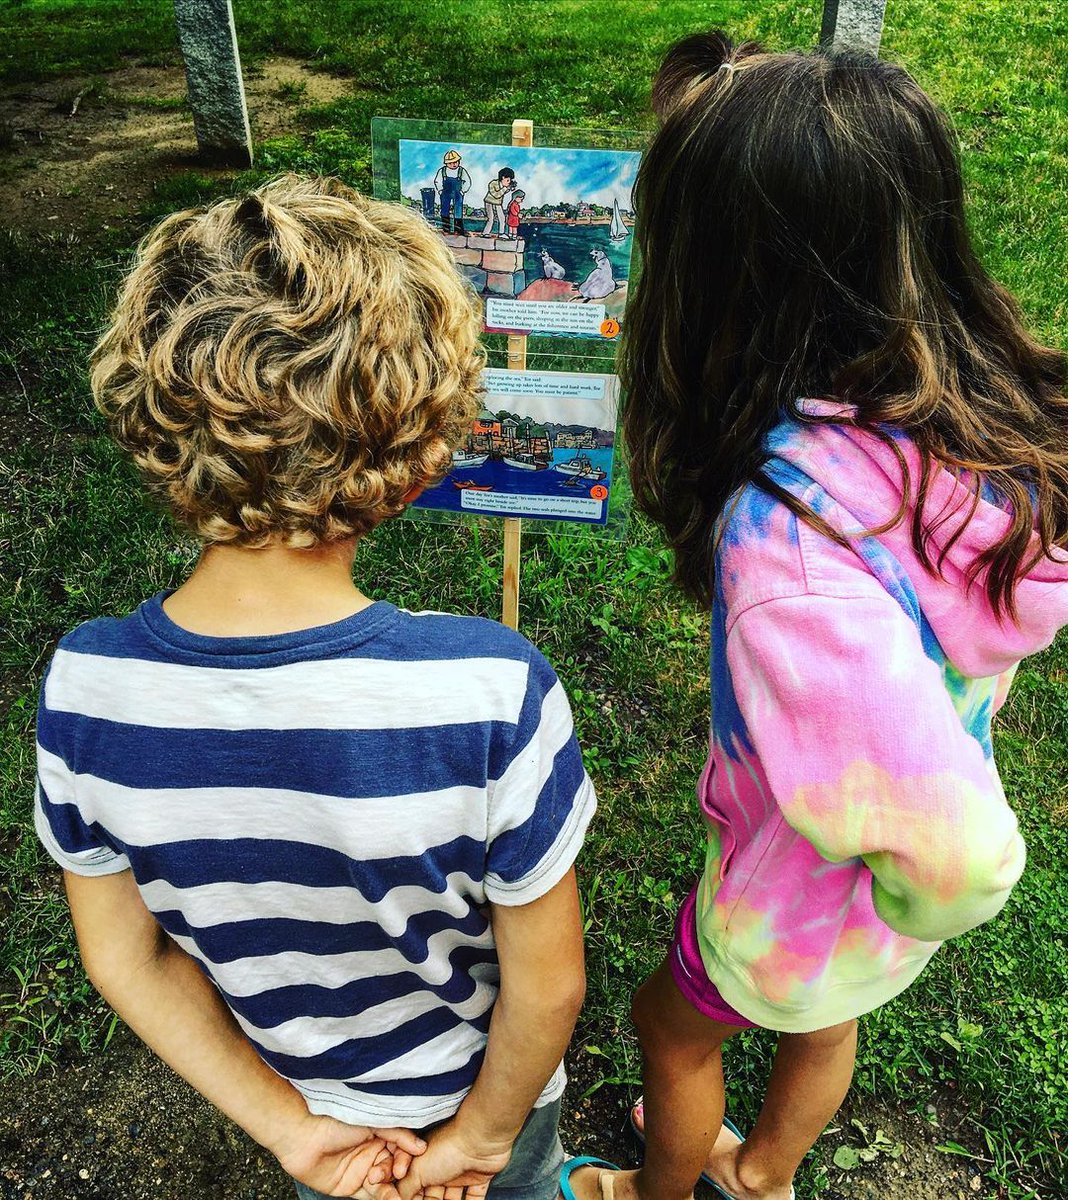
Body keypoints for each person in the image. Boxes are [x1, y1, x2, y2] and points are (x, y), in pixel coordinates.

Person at [560, 31, 1068, 1200]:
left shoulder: (792, 545)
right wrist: (894, 919)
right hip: (865, 927)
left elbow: (962, 859)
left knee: (673, 1030)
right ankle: (767, 1176)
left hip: (799, 897)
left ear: (722, 279)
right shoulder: (962, 438)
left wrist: (890, 898)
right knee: (823, 1028)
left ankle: (659, 1188)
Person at [33, 175, 595, 1200]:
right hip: (490, 1106)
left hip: (324, 1122)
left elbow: (128, 963)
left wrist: (292, 1134)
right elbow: (547, 983)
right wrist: (480, 1140)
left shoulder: (85, 692)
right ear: (420, 440)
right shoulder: (492, 694)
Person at [433, 148, 472, 235]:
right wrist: (440, 190)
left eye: (455, 162)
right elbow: (437, 181)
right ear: (446, 163)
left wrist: (463, 191)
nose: (453, 164)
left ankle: (458, 230)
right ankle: (446, 229)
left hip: (458, 193)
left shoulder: (461, 171)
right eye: (450, 163)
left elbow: (467, 182)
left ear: (459, 161)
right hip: (445, 192)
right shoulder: (442, 171)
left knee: (458, 211)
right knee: (444, 210)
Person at [482, 168, 516, 237]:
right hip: (489, 202)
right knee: (491, 218)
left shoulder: (504, 186)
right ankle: (485, 233)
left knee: (502, 218)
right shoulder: (493, 184)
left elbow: (503, 193)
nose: (508, 182)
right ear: (503, 177)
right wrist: (505, 189)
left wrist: (510, 188)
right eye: (507, 180)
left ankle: (501, 233)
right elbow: (496, 195)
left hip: (497, 203)